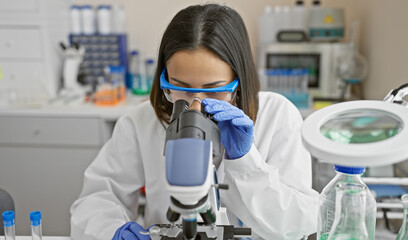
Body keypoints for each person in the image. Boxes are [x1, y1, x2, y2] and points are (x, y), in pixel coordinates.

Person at [70, 3, 319, 240]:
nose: (196, 104)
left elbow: (296, 226)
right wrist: (109, 231)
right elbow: (96, 199)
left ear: (239, 82)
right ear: (164, 79)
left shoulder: (277, 115)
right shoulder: (141, 122)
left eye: (213, 90)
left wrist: (245, 162)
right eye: (181, 88)